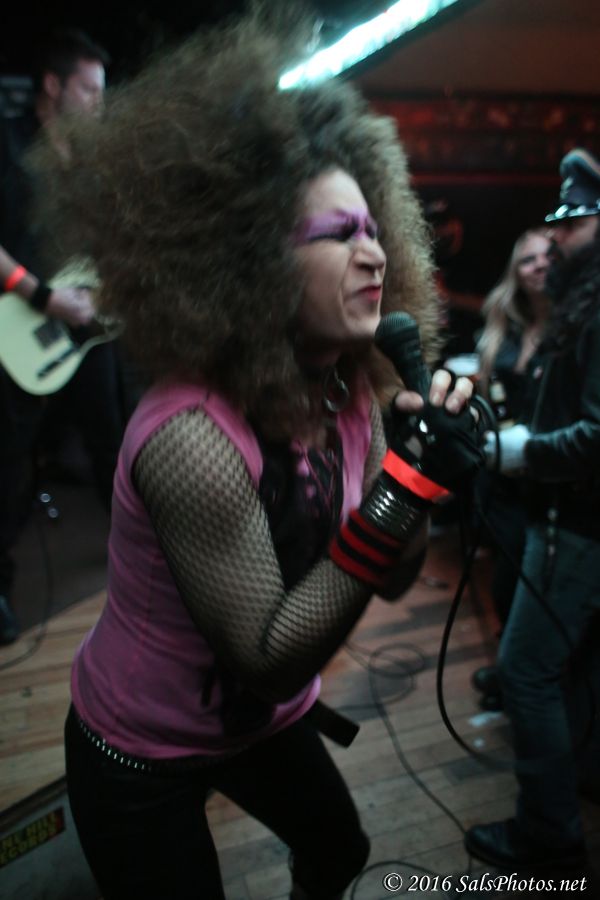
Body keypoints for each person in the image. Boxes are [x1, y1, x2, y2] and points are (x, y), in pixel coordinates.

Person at [31, 12, 483, 900]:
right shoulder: (188, 436)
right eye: (339, 233)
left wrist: (420, 479)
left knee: (341, 851)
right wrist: (403, 488)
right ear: (250, 266)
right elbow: (269, 655)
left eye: (373, 229)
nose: (374, 253)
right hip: (141, 749)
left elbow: (393, 580)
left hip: (262, 724)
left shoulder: (354, 388)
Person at [465, 148, 600, 870]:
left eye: (570, 225)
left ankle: (550, 838)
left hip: (577, 523)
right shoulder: (581, 305)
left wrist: (523, 452)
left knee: (525, 669)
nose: (556, 239)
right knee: (575, 665)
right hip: (570, 516)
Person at [0, 29, 124, 644]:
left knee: (115, 440)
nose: (99, 103)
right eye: (89, 90)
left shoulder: (91, 159)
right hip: (22, 326)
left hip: (83, 329)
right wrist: (43, 295)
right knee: (8, 460)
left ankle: (147, 554)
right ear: (53, 85)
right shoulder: (9, 143)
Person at [471, 229, 552, 709]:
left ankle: (521, 675)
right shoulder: (507, 326)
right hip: (500, 477)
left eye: (547, 256)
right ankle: (512, 669)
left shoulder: (575, 325)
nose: (539, 265)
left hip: (546, 478)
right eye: (527, 260)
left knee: (531, 583)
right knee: (504, 578)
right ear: (516, 274)